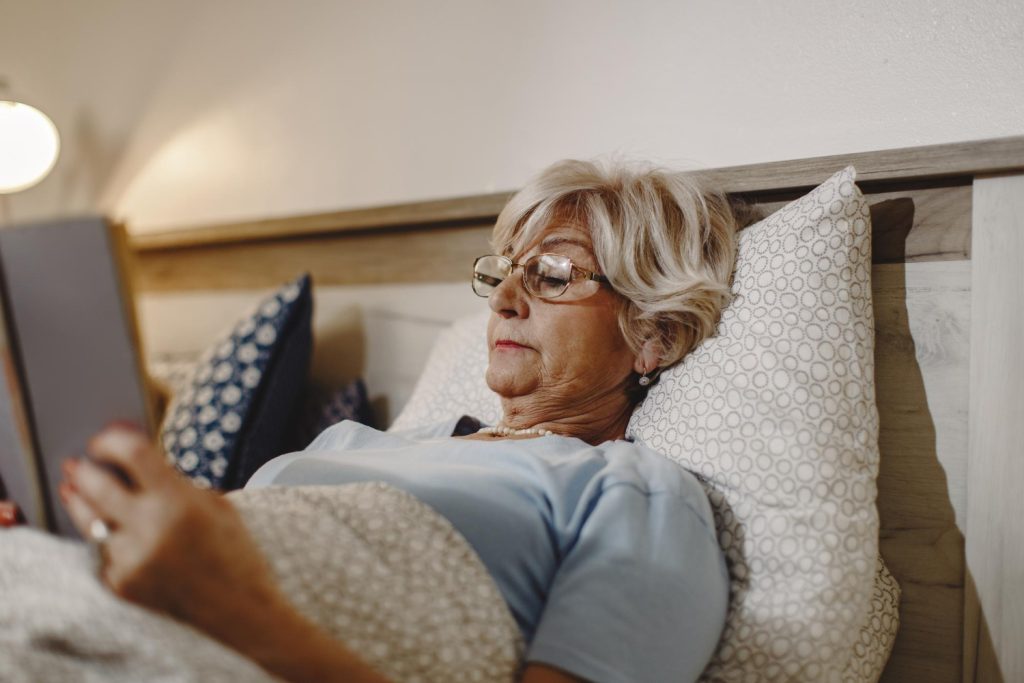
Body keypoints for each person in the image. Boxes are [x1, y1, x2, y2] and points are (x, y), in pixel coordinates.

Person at [59, 158, 739, 683]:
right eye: (503, 273)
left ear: (653, 332)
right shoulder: (364, 442)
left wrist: (224, 603)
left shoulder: (635, 494)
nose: (502, 299)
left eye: (553, 275)